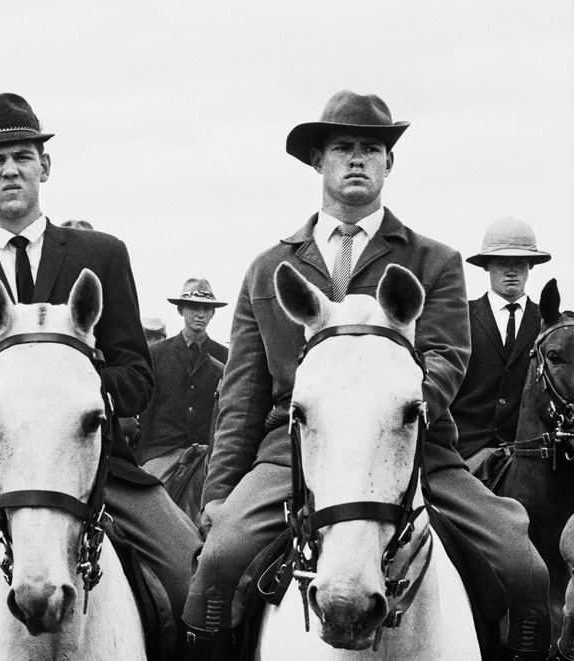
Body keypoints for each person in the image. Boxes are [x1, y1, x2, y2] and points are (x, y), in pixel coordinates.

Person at [183, 90, 551, 660]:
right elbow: (241, 394)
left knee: (522, 569)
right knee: (217, 567)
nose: (357, 158)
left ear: (388, 164)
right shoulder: (268, 268)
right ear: (318, 163)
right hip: (293, 450)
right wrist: (220, 492)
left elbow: (446, 359)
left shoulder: (436, 260)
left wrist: (384, 415)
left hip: (417, 447)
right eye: (343, 147)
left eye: (371, 148)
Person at [0, 92, 201, 660]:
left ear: (44, 167)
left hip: (95, 461)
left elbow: (136, 376)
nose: (10, 169)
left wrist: (76, 394)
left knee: (188, 573)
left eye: (23, 156)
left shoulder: (100, 255)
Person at [451, 217, 551, 470]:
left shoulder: (548, 325)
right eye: (501, 263)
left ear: (530, 266)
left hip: (530, 454)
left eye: (519, 263)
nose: (511, 271)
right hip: (463, 451)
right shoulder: (459, 318)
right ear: (486, 266)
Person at [137, 279, 227, 477]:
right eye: (194, 307)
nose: (200, 314)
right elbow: (146, 411)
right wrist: (139, 458)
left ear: (213, 313)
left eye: (206, 308)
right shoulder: (155, 354)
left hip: (208, 455)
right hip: (162, 451)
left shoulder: (226, 357)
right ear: (180, 310)